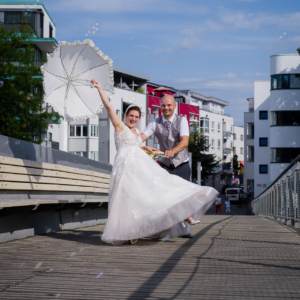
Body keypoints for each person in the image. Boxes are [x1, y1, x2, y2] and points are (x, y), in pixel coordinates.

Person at [92, 79, 218, 245]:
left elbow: (137, 144)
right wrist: (100, 89)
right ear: (125, 116)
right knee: (135, 197)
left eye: (137, 117)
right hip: (126, 167)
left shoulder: (147, 128)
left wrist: (147, 149)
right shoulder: (120, 127)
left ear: (174, 106)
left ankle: (179, 223)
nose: (134, 119)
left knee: (159, 192)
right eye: (131, 116)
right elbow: (109, 108)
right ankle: (133, 229)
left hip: (155, 164)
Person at [141, 94, 198, 238]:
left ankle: (183, 230)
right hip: (165, 165)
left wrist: (173, 151)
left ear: (174, 106)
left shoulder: (182, 120)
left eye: (169, 105)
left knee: (182, 197)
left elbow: (185, 142)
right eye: (163, 105)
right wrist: (136, 143)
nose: (166, 108)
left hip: (182, 164)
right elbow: (141, 138)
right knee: (165, 198)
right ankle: (168, 229)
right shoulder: (155, 122)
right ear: (160, 107)